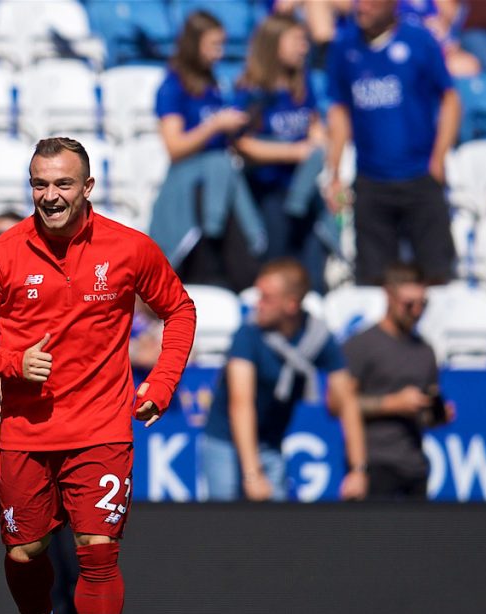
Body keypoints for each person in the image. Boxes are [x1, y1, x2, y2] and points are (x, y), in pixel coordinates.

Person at [0, 137, 196, 614]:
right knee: (23, 554)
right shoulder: (2, 254)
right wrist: (8, 363)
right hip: (28, 432)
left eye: (62, 184)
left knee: (98, 551)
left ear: (87, 188)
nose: (50, 196)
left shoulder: (129, 248)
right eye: (40, 184)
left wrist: (160, 383)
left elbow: (179, 309)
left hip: (103, 428)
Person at [201, 258, 368, 501]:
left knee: (273, 525)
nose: (258, 304)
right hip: (224, 439)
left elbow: (348, 402)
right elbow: (241, 403)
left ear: (291, 305)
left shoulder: (317, 336)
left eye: (266, 297)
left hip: (270, 442)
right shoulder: (248, 334)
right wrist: (252, 474)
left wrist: (358, 470)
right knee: (224, 520)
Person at [324, 0, 461, 286]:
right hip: (371, 179)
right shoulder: (344, 47)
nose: (362, 7)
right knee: (373, 279)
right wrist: (334, 172)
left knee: (437, 274)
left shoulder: (419, 41)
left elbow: (450, 99)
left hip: (420, 175)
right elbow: (339, 112)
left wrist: (438, 158)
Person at [149, 9, 264, 292]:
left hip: (221, 188)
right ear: (194, 44)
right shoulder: (172, 86)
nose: (220, 53)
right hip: (191, 190)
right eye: (214, 45)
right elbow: (174, 147)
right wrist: (214, 126)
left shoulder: (215, 84)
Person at [234, 12, 332, 294]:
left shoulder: (303, 85)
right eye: (296, 41)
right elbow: (243, 144)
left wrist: (317, 143)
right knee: (277, 265)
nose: (304, 47)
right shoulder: (252, 90)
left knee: (312, 269)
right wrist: (293, 152)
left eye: (305, 41)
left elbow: (314, 125)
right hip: (268, 193)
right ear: (273, 44)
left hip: (303, 191)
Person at [344, 263, 454, 500]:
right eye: (409, 304)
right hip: (375, 462)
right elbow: (339, 404)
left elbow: (423, 413)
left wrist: (436, 415)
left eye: (422, 304)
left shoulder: (425, 350)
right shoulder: (362, 345)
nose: (416, 311)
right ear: (389, 296)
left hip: (415, 465)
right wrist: (393, 403)